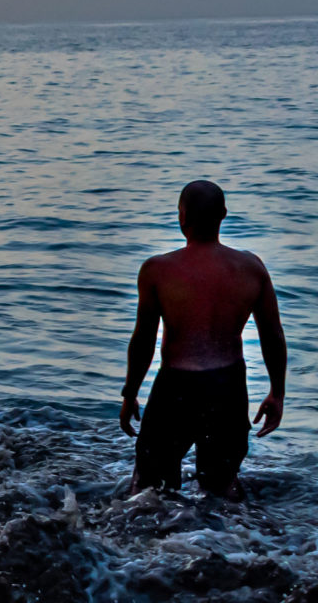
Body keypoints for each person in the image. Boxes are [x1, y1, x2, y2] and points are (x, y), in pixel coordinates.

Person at [119, 180, 286, 498]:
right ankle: (243, 544)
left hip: (175, 388)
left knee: (148, 488)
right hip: (227, 387)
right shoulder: (251, 267)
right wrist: (277, 393)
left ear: (181, 216)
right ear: (223, 214)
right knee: (221, 486)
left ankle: (142, 546)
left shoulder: (157, 270)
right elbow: (273, 335)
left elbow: (143, 339)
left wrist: (130, 393)